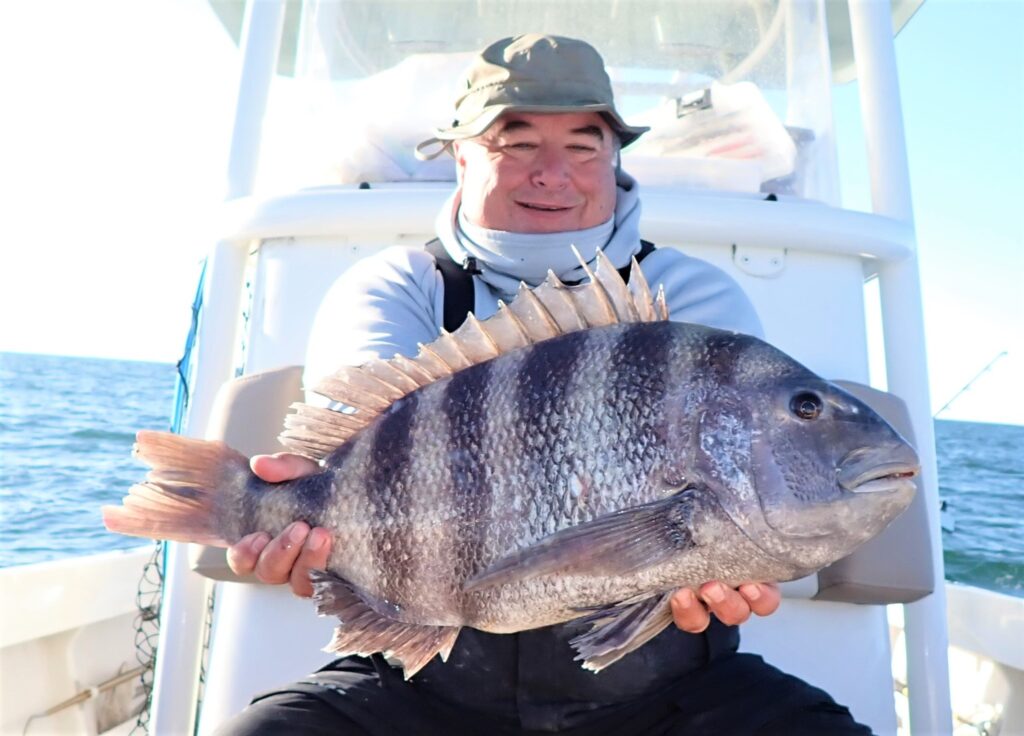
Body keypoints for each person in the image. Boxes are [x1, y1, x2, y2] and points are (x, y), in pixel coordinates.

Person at [218, 34, 871, 735]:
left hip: (669, 688)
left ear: (614, 157)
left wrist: (734, 553)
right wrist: (294, 523)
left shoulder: (691, 294)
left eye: (584, 145)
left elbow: (717, 511)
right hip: (421, 676)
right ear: (460, 155)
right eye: (517, 142)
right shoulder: (397, 285)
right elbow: (370, 441)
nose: (553, 173)